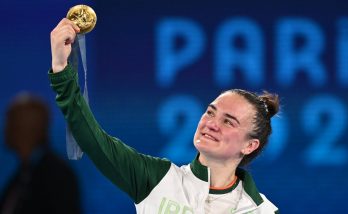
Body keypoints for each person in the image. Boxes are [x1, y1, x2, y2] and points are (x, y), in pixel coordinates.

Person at [48, 18, 280, 213]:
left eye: (228, 121)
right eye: (210, 112)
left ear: (250, 145)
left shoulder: (262, 210)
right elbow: (93, 139)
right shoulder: (158, 179)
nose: (212, 124)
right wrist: (61, 69)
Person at [0, 93, 81, 214]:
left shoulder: (57, 177)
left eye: (11, 122)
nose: (5, 129)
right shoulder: (23, 174)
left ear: (27, 129)